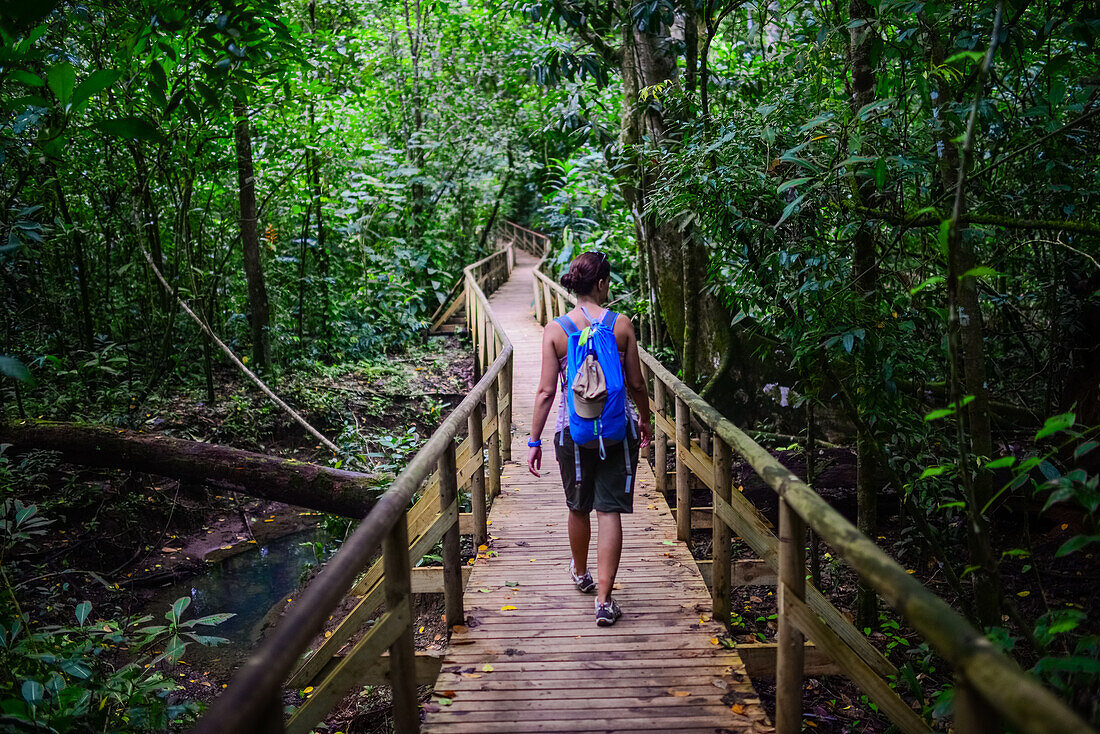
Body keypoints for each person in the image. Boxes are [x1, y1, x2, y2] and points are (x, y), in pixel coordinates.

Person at [527, 251, 653, 626]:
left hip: (572, 431)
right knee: (609, 510)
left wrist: (534, 441)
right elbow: (636, 383)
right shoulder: (621, 325)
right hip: (617, 429)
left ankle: (581, 574)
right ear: (600, 284)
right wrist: (644, 420)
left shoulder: (556, 329)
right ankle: (603, 601)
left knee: (577, 506)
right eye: (608, 280)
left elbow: (547, 392)